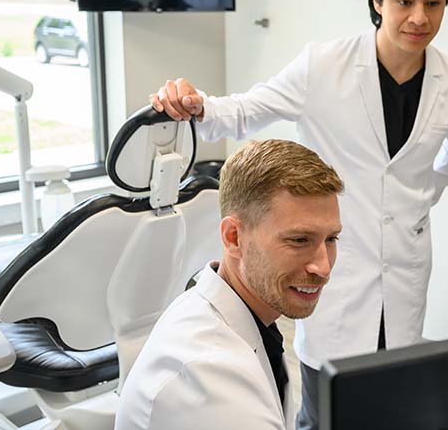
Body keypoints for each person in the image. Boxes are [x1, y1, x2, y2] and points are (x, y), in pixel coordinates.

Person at [151, 0, 448, 429]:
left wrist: (422, 196)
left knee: (395, 395)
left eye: (434, 3)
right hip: (333, 267)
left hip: (406, 268)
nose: (419, 18)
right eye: (404, 1)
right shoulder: (323, 66)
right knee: (323, 409)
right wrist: (195, 105)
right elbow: (245, 111)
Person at [114, 139, 344, 430]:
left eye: (331, 239)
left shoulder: (239, 313)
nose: (322, 267)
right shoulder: (211, 379)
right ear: (234, 237)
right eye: (299, 240)